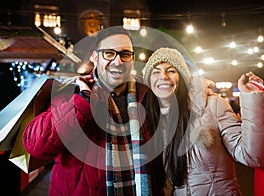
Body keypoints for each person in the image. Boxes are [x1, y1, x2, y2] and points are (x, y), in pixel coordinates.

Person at [23, 27, 165, 195]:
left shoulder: (148, 95)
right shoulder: (72, 92)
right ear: (95, 57)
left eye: (125, 54)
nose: (118, 62)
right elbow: (35, 145)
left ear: (132, 59)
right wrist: (83, 102)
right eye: (109, 53)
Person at [142, 47, 264, 195]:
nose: (163, 76)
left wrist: (252, 99)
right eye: (155, 72)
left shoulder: (213, 105)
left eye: (171, 71)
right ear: (149, 81)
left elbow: (253, 156)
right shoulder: (153, 122)